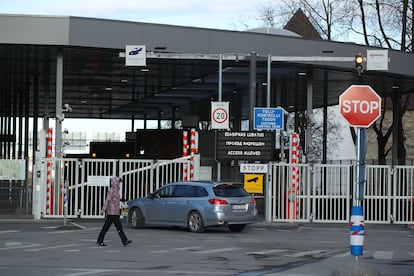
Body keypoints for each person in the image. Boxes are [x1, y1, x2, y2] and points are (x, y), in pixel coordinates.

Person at [96, 176, 132, 247]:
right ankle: (124, 241)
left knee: (107, 227)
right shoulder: (111, 190)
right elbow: (107, 200)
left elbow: (114, 199)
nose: (119, 184)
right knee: (118, 227)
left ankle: (100, 240)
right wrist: (103, 209)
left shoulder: (116, 190)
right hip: (112, 212)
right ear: (115, 182)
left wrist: (121, 199)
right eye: (118, 182)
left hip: (115, 212)